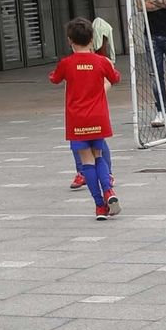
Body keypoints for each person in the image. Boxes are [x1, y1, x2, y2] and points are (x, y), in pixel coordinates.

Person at [50, 16, 120, 217]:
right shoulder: (100, 61)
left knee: (86, 161)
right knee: (99, 156)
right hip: (98, 117)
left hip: (77, 120)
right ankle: (109, 190)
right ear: (92, 40)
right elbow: (114, 77)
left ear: (70, 41)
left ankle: (99, 205)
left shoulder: (66, 63)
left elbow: (55, 79)